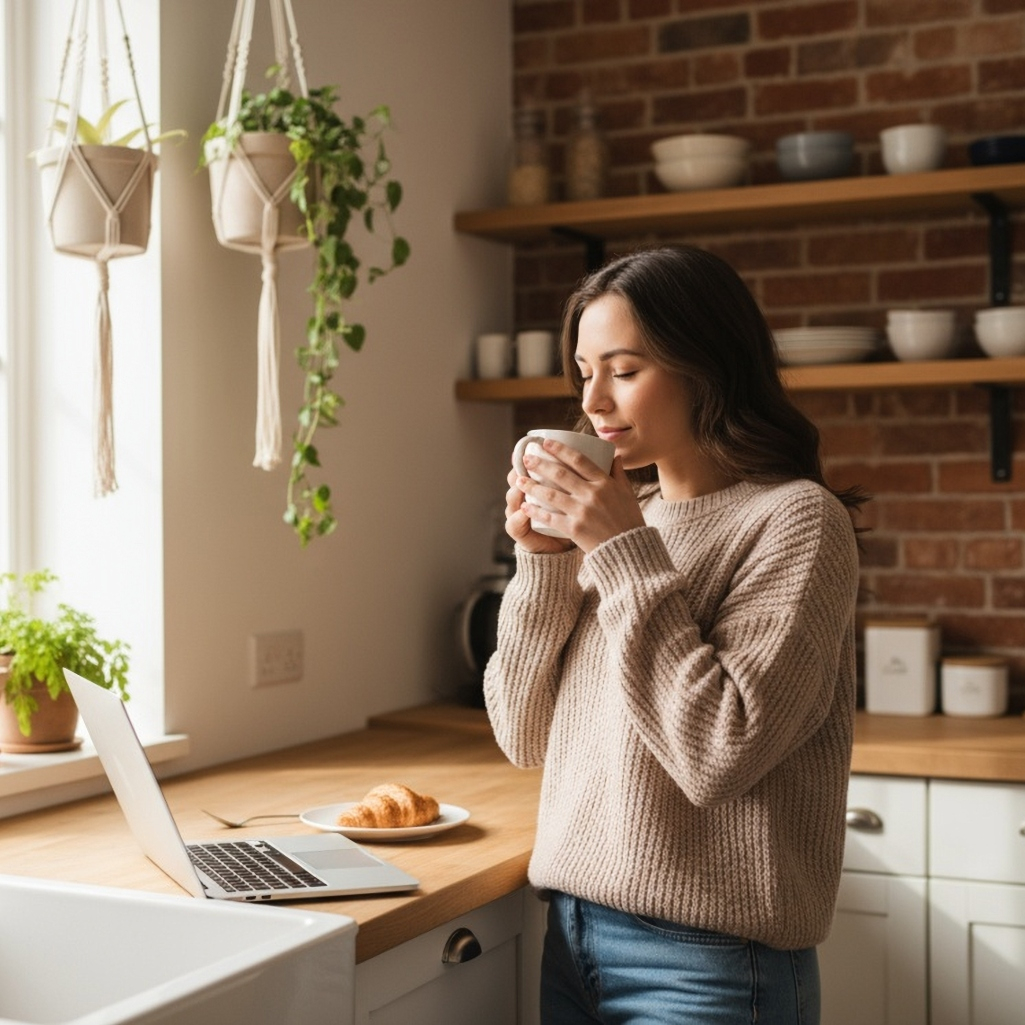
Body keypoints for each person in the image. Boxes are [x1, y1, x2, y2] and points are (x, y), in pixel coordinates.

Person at [484, 245, 864, 1024]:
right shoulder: (624, 526)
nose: (593, 400)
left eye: (623, 370)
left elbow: (718, 752)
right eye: (582, 372)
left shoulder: (795, 519)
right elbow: (521, 735)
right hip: (572, 937)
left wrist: (621, 548)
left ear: (706, 366)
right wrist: (544, 561)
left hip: (708, 966)